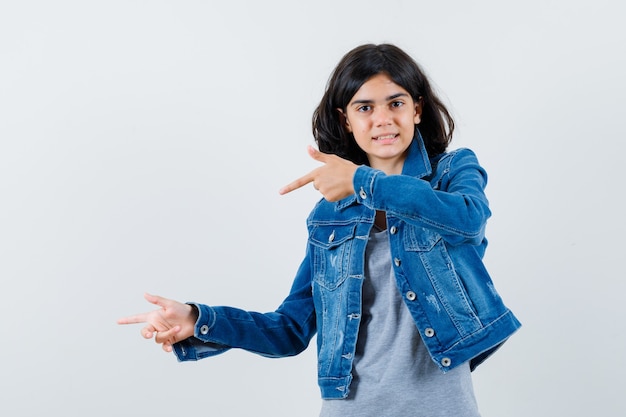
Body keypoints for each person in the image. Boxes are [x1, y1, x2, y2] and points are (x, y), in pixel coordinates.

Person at [118, 43, 521, 416]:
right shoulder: (329, 216)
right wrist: (199, 318)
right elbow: (290, 329)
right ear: (345, 120)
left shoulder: (453, 173)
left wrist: (364, 182)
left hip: (442, 406)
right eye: (364, 108)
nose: (383, 119)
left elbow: (468, 220)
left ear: (416, 109)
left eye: (395, 103)